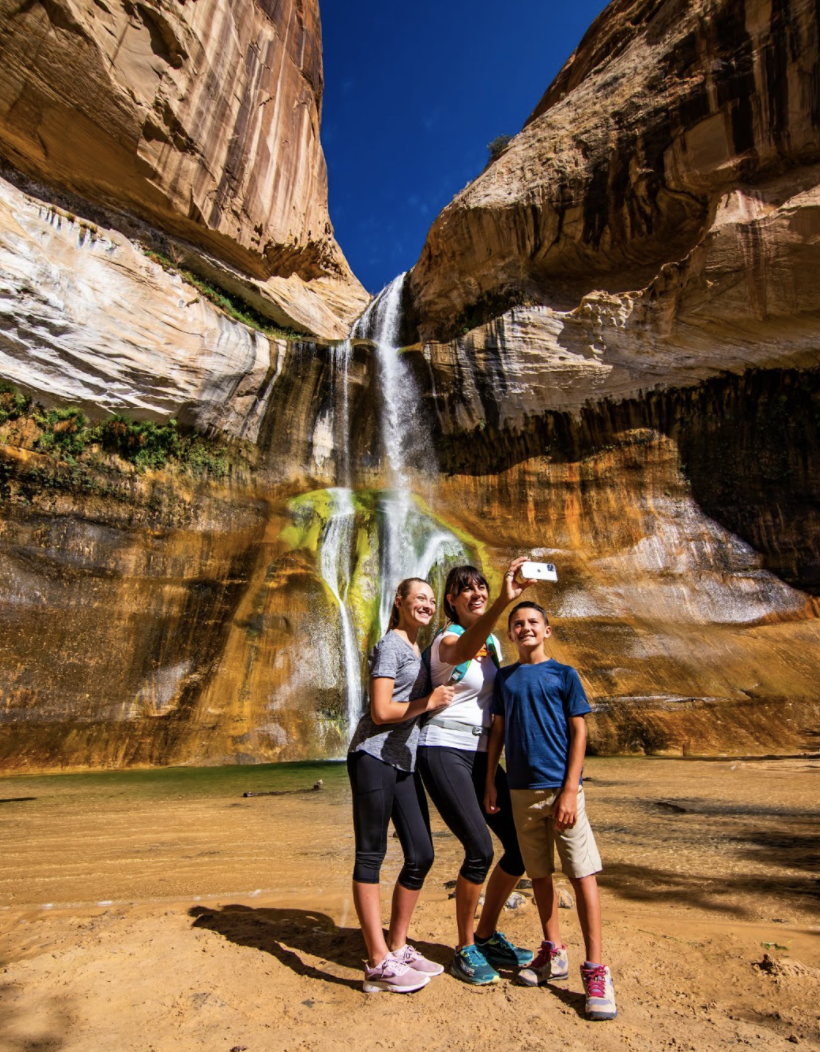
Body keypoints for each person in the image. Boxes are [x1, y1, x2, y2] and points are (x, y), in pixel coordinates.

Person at [484, 599, 617, 1020]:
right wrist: (491, 780)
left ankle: (596, 969)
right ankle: (552, 951)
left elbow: (579, 731)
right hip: (521, 791)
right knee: (540, 874)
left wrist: (570, 789)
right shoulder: (505, 679)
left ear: (547, 630)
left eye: (533, 622)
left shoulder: (564, 674)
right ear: (510, 634)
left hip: (561, 790)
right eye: (518, 624)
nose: (526, 628)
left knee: (582, 876)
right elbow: (498, 733)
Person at [416, 557, 535, 985]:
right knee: (480, 849)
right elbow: (464, 651)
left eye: (482, 586)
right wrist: (505, 599)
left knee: (520, 847)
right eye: (466, 588)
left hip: (482, 753)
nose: (477, 592)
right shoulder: (448, 639)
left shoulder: (495, 648)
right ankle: (464, 947)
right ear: (451, 600)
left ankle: (485, 935)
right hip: (443, 748)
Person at [347, 577, 455, 994]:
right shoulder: (391, 645)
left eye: (431, 600)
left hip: (403, 760)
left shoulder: (418, 649)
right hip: (372, 756)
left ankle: (397, 945)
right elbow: (379, 710)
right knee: (371, 854)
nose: (426, 605)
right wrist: (428, 702)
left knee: (421, 854)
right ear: (400, 602)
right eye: (419, 598)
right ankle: (377, 961)